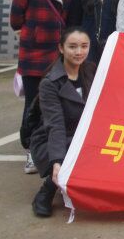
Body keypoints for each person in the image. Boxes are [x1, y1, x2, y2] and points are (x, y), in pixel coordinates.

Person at [11, 0, 76, 175]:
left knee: (57, 103)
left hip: (59, 54)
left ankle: (53, 149)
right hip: (33, 54)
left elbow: (71, 20)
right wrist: (33, 33)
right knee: (33, 104)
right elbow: (16, 18)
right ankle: (31, 150)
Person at [28, 27, 95, 217]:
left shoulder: (91, 70)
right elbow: (55, 125)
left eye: (84, 46)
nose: (79, 52)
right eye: (72, 47)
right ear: (61, 48)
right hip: (51, 139)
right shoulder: (49, 83)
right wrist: (57, 161)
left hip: (81, 134)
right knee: (72, 154)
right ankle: (46, 191)